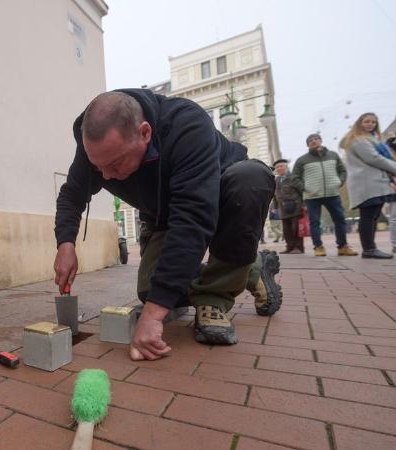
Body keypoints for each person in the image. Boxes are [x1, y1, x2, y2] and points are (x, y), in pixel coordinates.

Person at [54, 90, 282, 361]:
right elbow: (72, 195)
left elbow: (192, 220)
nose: (106, 175)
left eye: (114, 164)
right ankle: (250, 268)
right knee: (152, 290)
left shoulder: (187, 126)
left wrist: (152, 317)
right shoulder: (96, 147)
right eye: (97, 167)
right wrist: (65, 244)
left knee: (250, 179)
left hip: (220, 196)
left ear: (145, 132)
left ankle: (214, 298)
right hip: (164, 216)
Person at [292, 134, 358, 257]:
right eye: (310, 140)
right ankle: (318, 247)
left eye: (316, 139)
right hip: (312, 196)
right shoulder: (302, 160)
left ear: (320, 141)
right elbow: (295, 177)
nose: (313, 141)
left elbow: (342, 170)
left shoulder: (333, 155)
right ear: (308, 145)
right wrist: (305, 187)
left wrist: (339, 182)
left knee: (340, 219)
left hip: (333, 194)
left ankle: (342, 246)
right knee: (314, 222)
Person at [341, 113, 396, 259]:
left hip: (374, 183)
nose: (370, 124)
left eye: (373, 122)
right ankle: (369, 249)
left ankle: (370, 248)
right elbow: (374, 158)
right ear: (359, 123)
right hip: (367, 183)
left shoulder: (372, 139)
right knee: (368, 216)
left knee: (373, 216)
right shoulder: (358, 140)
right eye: (366, 121)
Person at [273, 159, 304, 254]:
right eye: (277, 167)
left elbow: (301, 191)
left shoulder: (293, 177)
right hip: (283, 208)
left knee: (296, 228)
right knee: (286, 229)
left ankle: (298, 247)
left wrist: (304, 205)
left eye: (281, 166)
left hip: (296, 206)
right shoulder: (277, 180)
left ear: (286, 167)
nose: (279, 168)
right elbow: (275, 194)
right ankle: (290, 247)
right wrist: (275, 206)